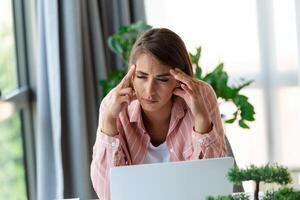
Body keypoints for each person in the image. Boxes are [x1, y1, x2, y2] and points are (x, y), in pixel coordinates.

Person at [90, 28, 227, 200]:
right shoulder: (113, 106)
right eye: (141, 76)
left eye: (162, 79)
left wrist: (201, 118)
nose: (149, 91)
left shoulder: (201, 96)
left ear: (180, 79)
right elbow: (108, 194)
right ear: (131, 76)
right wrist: (109, 122)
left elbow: (212, 185)